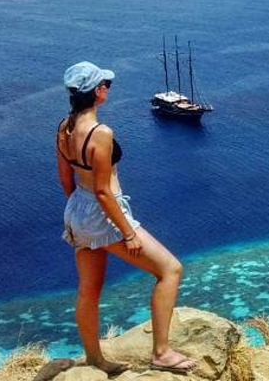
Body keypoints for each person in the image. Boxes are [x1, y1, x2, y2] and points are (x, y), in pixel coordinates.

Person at [56, 61, 197, 376]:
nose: (107, 87)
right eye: (105, 83)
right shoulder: (101, 133)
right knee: (170, 270)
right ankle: (161, 353)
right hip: (104, 213)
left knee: (88, 290)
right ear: (97, 92)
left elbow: (66, 181)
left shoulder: (64, 126)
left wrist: (82, 217)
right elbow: (104, 192)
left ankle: (94, 359)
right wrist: (128, 233)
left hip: (78, 209)